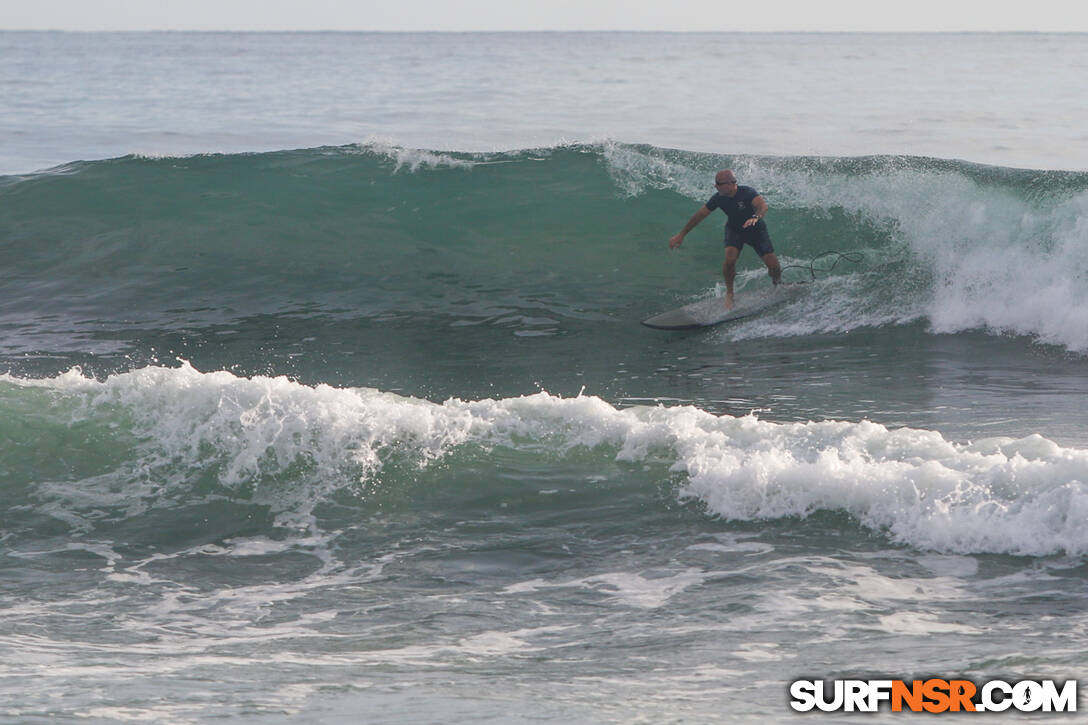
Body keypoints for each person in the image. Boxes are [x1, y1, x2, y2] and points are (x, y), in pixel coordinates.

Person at [669, 169, 781, 310]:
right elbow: (700, 215)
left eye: (718, 184)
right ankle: (729, 293)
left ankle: (778, 285)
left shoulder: (747, 192)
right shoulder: (718, 198)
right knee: (729, 260)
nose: (715, 186)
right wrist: (681, 234)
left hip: (756, 230)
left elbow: (762, 206)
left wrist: (756, 217)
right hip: (734, 230)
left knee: (774, 266)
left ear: (730, 184)